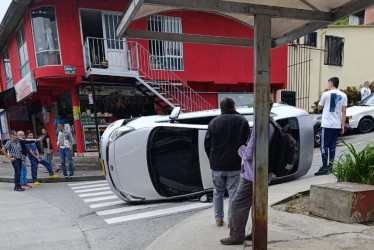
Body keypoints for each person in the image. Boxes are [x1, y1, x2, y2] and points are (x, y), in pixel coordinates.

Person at [220, 103, 275, 245]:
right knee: (257, 204)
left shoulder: (259, 127)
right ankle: (257, 232)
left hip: (251, 175)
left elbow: (249, 153)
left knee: (237, 204)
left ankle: (236, 237)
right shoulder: (272, 123)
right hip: (264, 173)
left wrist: (241, 149)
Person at [204, 98, 250, 227]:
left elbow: (207, 144)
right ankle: (231, 220)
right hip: (234, 163)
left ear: (221, 108)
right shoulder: (242, 121)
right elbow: (248, 142)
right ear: (234, 106)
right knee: (233, 193)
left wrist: (212, 159)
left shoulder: (213, 122)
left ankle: (218, 219)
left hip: (217, 164)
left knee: (217, 192)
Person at [315, 77, 347, 176]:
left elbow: (319, 107)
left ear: (331, 84)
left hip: (327, 124)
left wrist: (324, 94)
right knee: (332, 146)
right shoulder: (344, 95)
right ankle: (331, 167)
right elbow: (344, 111)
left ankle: (324, 167)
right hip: (336, 124)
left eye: (328, 83)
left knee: (324, 145)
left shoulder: (325, 94)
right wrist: (342, 125)